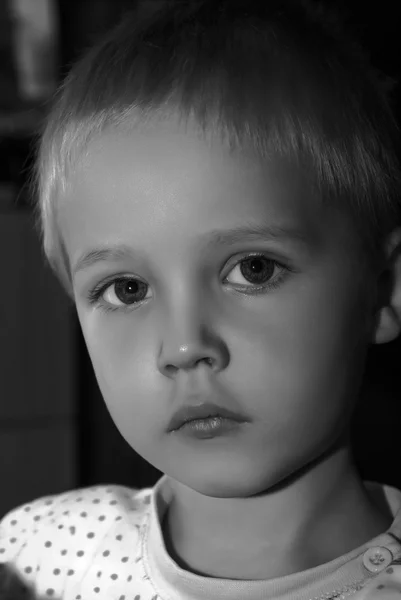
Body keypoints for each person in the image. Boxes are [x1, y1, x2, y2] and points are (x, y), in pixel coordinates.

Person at [1, 0, 401, 598]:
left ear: (386, 288)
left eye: (253, 269)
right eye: (126, 289)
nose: (185, 346)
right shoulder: (36, 556)